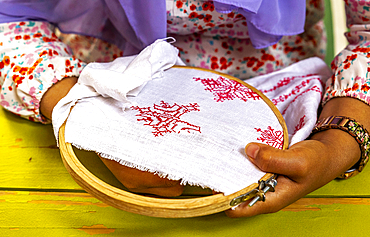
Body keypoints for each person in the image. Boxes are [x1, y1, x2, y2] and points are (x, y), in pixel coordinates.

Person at [0, 0, 369, 218]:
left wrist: (343, 136)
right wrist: (87, 114)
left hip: (285, 100)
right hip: (100, 83)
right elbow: (10, 18)